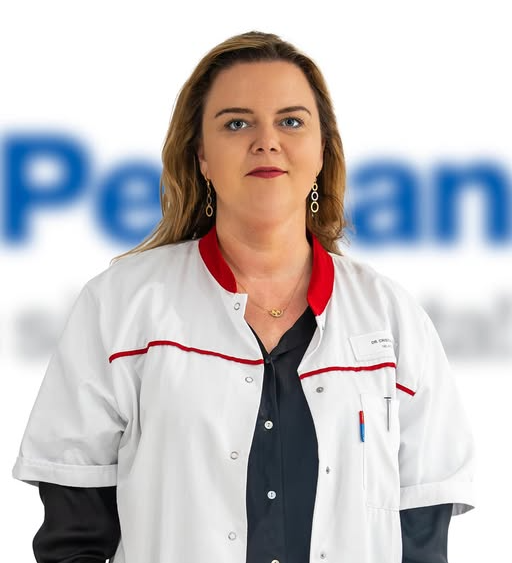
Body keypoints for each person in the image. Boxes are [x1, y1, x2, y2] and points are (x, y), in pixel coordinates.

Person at [12, 30, 475, 563]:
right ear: (201, 156)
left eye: (291, 121)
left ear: (322, 151)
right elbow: (73, 541)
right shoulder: (120, 306)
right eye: (236, 123)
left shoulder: (393, 320)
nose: (266, 141)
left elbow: (422, 539)